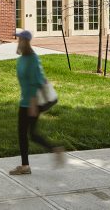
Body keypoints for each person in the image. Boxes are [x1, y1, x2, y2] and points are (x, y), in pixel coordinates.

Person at [10, 30, 65, 175]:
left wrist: (33, 104)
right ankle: (54, 150)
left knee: (24, 134)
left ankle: (25, 166)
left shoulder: (33, 59)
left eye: (20, 39)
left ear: (26, 41)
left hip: (31, 103)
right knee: (30, 134)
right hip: (25, 101)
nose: (18, 41)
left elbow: (36, 81)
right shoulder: (21, 59)